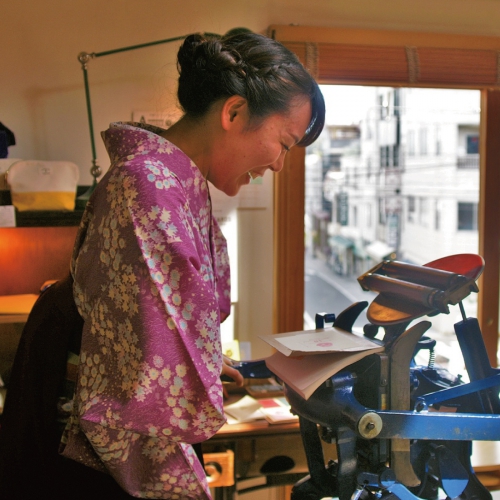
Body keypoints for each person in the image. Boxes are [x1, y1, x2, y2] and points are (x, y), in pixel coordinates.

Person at [0, 30, 325, 499]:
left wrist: (201, 361)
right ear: (234, 112)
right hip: (98, 452)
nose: (278, 165)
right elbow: (146, 367)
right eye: (285, 143)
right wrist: (189, 371)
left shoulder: (167, 180)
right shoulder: (149, 187)